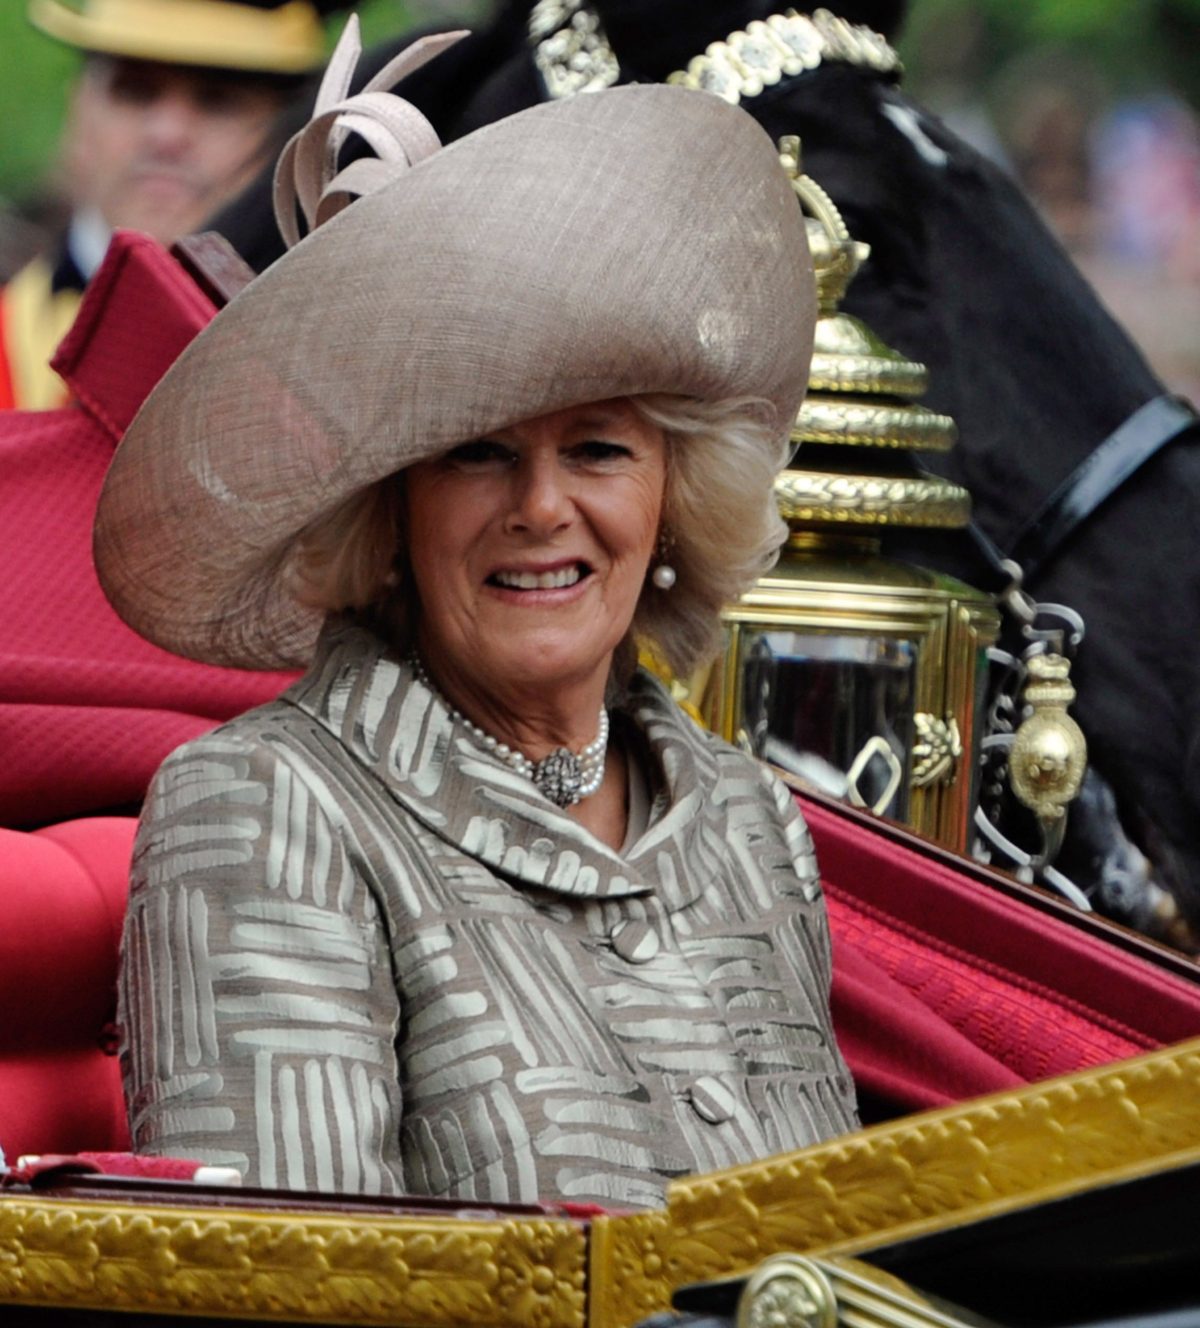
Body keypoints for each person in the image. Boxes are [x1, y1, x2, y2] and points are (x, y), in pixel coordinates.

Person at [95, 26, 859, 1204]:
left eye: (598, 449)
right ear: (389, 512)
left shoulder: (752, 820)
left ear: (672, 502)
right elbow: (302, 1289)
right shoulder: (264, 808)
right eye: (477, 455)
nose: (542, 507)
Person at [0, 0, 331, 410]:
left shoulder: (335, 363)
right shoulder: (8, 340)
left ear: (290, 138)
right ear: (78, 113)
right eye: (135, 91)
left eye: (219, 100)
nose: (168, 134)